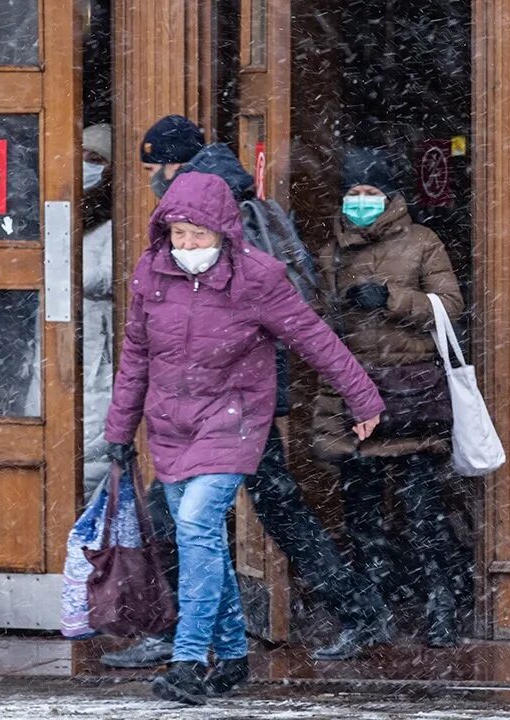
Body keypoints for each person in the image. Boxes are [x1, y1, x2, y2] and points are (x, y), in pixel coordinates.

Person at [101, 116, 391, 670]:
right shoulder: (199, 228)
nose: (151, 182)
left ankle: (184, 638)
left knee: (189, 520)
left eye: (152, 169)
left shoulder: (230, 221)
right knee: (253, 514)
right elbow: (144, 347)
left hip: (237, 406)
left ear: (174, 167)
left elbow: (295, 323)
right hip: (206, 406)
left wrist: (359, 395)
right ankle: (329, 616)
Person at [312, 147, 465, 647]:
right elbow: (317, 325)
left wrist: (394, 299)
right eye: (353, 193)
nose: (360, 202)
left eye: (370, 193)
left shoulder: (422, 243)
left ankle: (441, 608)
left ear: (391, 197)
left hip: (409, 398)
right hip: (354, 401)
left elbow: (451, 306)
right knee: (362, 518)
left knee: (424, 514)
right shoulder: (330, 251)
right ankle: (373, 612)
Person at [81, 123, 116, 492]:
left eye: (95, 158)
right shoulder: (62, 211)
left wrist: (65, 275)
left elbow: (112, 277)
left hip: (99, 358)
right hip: (57, 351)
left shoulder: (114, 222)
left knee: (94, 453)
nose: (84, 165)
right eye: (81, 156)